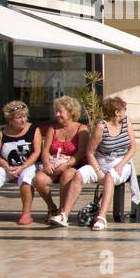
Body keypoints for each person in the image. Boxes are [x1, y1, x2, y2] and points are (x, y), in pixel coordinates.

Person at [54, 96, 137, 231]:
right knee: (79, 175)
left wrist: (121, 165)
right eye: (124, 109)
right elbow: (90, 152)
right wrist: (98, 171)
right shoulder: (101, 126)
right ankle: (64, 214)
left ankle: (101, 217)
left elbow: (133, 148)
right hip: (101, 162)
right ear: (116, 112)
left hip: (121, 162)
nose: (125, 112)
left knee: (110, 176)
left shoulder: (126, 122)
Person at [0, 101, 42, 227]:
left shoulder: (33, 129)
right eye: (19, 117)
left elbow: (37, 153)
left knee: (25, 178)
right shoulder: (2, 132)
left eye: (24, 116)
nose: (23, 120)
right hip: (8, 166)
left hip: (29, 165)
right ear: (10, 120)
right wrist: (6, 166)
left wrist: (22, 167)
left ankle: (26, 213)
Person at [38, 96, 91, 226]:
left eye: (60, 111)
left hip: (73, 164)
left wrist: (66, 165)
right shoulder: (53, 129)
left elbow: (81, 153)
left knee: (67, 176)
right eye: (56, 111)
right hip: (54, 164)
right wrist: (46, 163)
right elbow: (45, 150)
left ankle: (62, 212)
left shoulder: (81, 129)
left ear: (70, 112)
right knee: (39, 179)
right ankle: (52, 207)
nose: (57, 114)